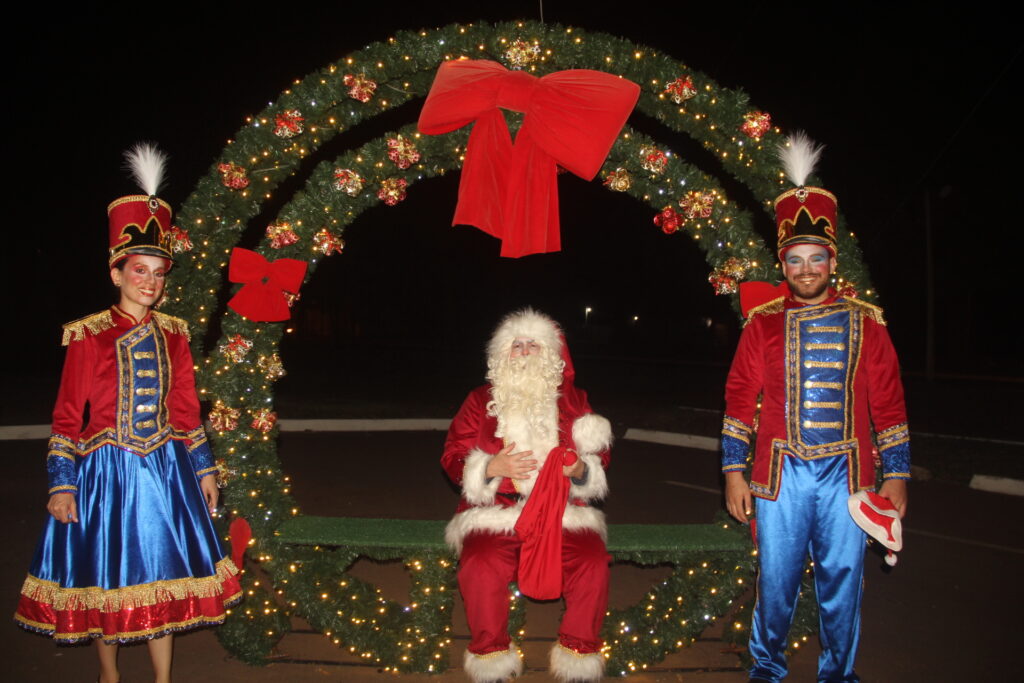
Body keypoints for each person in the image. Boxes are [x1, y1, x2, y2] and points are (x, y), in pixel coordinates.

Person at [14, 145, 242, 683]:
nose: (151, 282)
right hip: (106, 474)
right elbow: (67, 417)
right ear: (116, 273)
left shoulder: (176, 335)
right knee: (111, 580)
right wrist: (62, 484)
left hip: (165, 473)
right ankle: (110, 676)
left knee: (160, 577)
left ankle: (162, 679)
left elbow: (186, 410)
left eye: (159, 273)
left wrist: (205, 471)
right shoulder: (87, 335)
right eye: (139, 270)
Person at [721, 134, 910, 683]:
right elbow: (739, 400)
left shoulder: (866, 324)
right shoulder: (761, 325)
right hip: (778, 474)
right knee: (775, 583)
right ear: (784, 263)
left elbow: (889, 405)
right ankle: (766, 671)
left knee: (843, 584)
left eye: (816, 259)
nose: (806, 269)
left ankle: (838, 676)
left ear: (832, 260)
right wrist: (734, 471)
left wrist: (896, 477)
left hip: (848, 474)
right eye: (796, 260)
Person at [442, 309, 613, 683]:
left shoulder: (574, 402)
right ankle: (492, 658)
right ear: (502, 354)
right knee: (481, 564)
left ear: (550, 354)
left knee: (591, 563)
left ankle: (578, 656)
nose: (523, 352)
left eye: (532, 345)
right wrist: (489, 468)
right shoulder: (479, 400)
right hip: (496, 511)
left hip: (563, 512)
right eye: (515, 345)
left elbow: (599, 457)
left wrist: (581, 471)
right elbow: (453, 455)